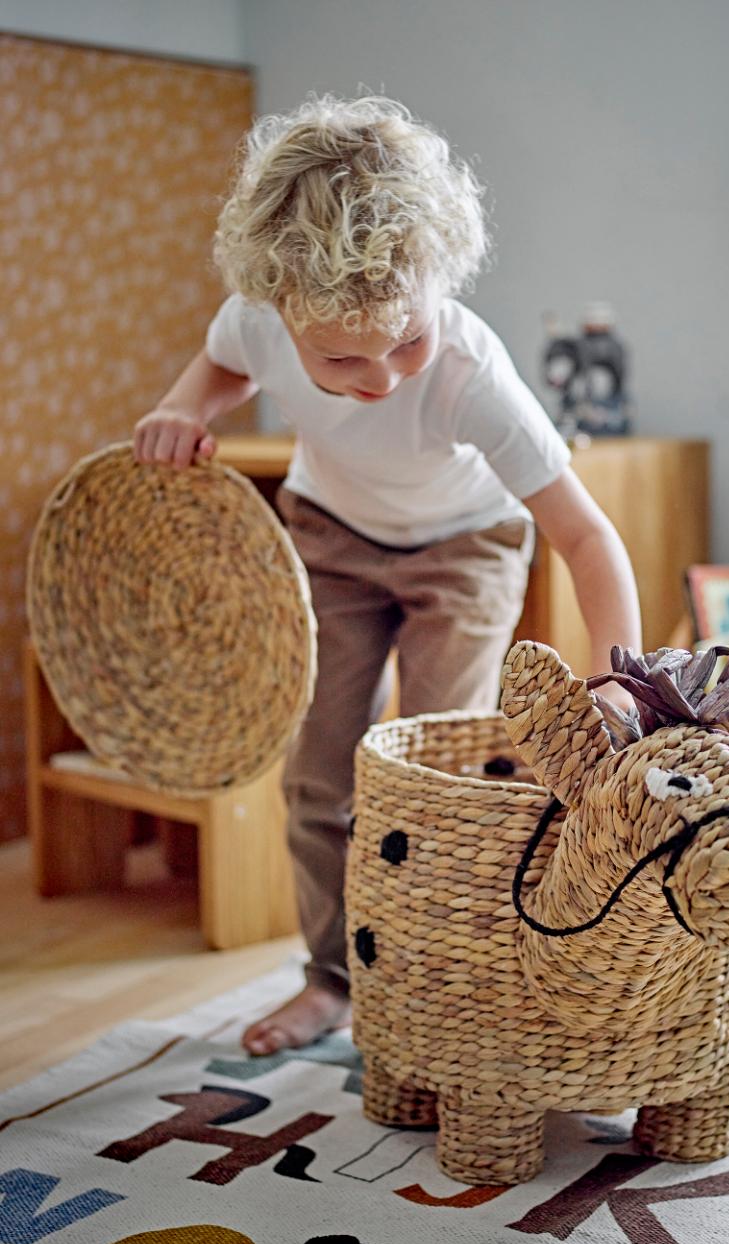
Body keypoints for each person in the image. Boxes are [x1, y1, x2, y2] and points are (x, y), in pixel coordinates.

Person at [133, 93, 641, 1055]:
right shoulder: (257, 318)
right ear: (284, 313)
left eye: (405, 339)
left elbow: (587, 538)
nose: (383, 380)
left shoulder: (469, 373)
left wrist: (619, 673)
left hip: (465, 551)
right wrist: (180, 407)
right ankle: (329, 979)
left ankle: (433, 970)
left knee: (437, 772)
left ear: (435, 290)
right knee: (318, 773)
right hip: (330, 539)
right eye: (342, 358)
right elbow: (221, 370)